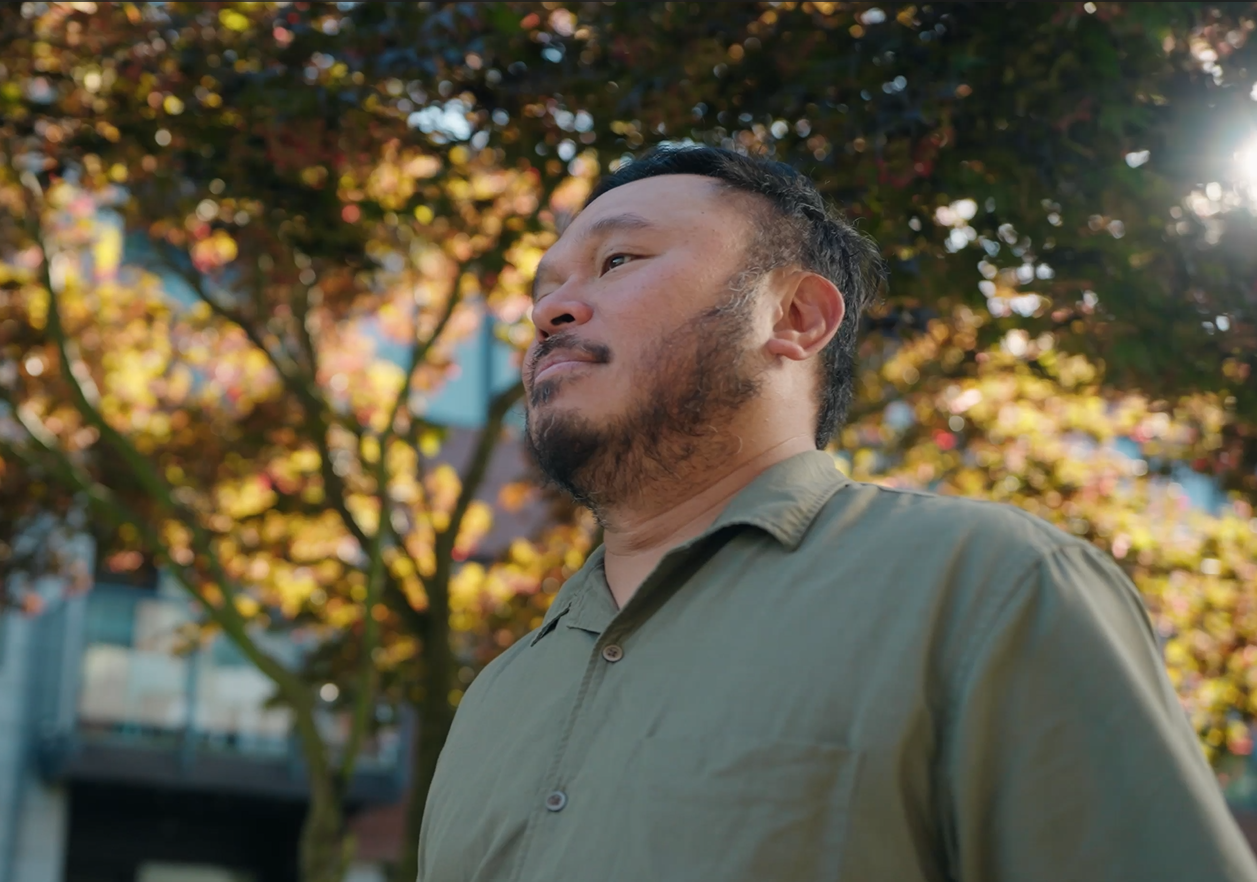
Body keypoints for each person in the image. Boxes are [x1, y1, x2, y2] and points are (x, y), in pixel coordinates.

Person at [417, 145, 1257, 882]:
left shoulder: (986, 589)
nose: (547, 311)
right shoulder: (498, 694)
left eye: (618, 260)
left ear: (794, 317)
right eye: (546, 288)